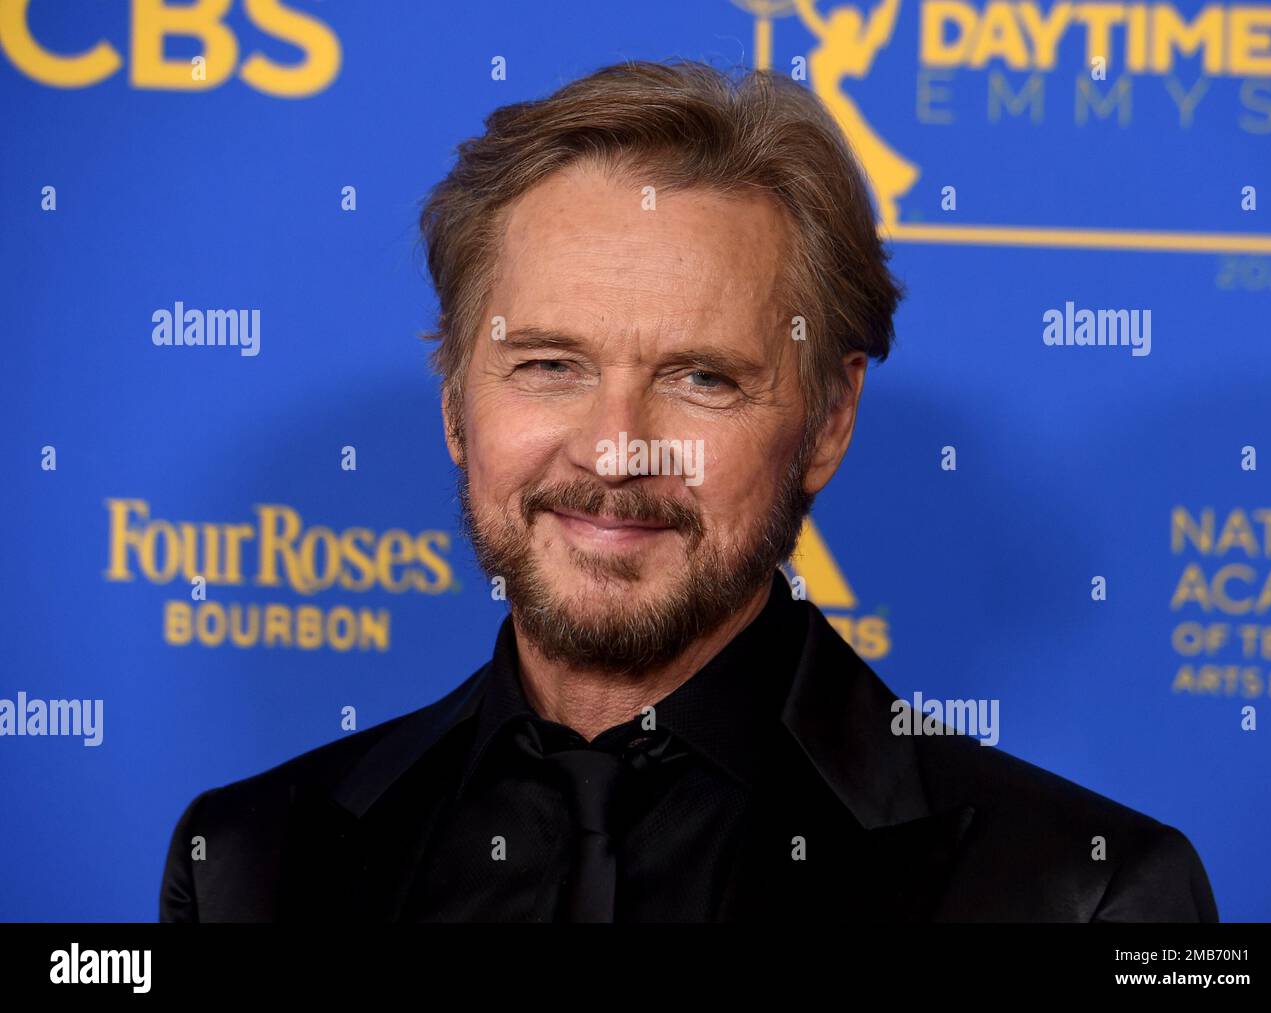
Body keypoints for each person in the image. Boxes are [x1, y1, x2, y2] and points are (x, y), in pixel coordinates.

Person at [159, 60, 1217, 922]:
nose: (617, 453)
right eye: (547, 365)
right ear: (455, 403)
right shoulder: (252, 862)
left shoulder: (1082, 892)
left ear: (828, 420)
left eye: (701, 378)